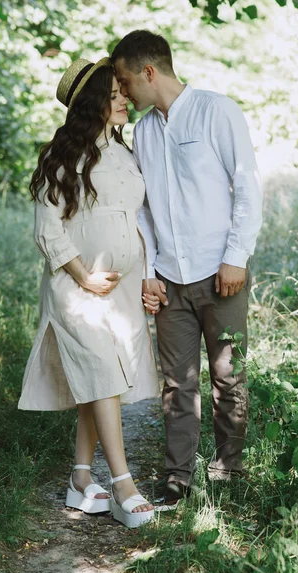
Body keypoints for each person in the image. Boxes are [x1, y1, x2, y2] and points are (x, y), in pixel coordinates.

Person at [112, 31, 263, 507]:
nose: (122, 92)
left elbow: (248, 187)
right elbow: (145, 211)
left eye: (124, 80)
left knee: (228, 375)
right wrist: (150, 270)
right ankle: (178, 476)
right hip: (171, 279)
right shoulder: (144, 132)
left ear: (148, 73)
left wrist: (236, 255)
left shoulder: (218, 111)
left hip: (221, 274)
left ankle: (228, 470)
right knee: (177, 382)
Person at [18, 56, 161, 528]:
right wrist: (82, 275)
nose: (123, 100)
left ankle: (81, 479)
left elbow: (138, 222)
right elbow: (48, 230)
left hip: (119, 294)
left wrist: (147, 274)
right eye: (114, 93)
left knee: (101, 384)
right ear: (90, 103)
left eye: (123, 92)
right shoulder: (61, 156)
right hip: (77, 288)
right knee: (101, 373)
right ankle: (123, 486)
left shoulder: (124, 153)